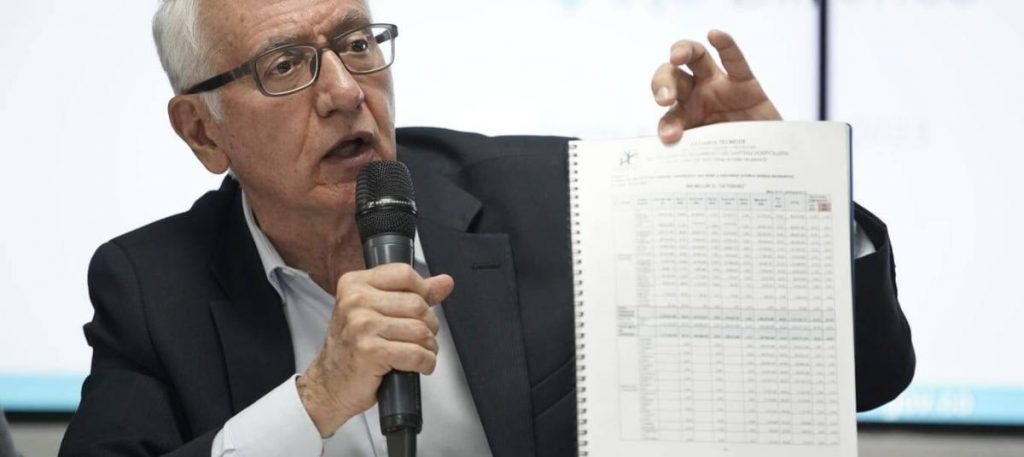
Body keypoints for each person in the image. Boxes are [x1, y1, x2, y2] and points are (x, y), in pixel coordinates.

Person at [59, 0, 915, 456]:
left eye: (357, 44)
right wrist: (313, 400)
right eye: (286, 65)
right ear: (201, 132)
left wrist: (773, 189)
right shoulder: (152, 288)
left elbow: (867, 375)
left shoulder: (552, 200)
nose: (346, 92)